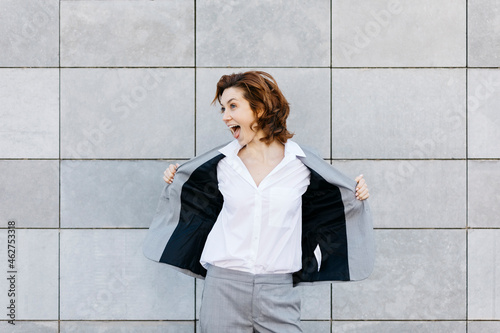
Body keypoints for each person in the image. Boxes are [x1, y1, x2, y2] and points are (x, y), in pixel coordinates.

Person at [143, 71, 374, 333]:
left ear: (260, 108)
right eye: (222, 108)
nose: (225, 116)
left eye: (233, 106)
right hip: (223, 287)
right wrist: (176, 179)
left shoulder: (302, 165)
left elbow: (336, 204)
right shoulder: (221, 164)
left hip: (278, 290)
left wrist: (357, 195)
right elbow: (192, 200)